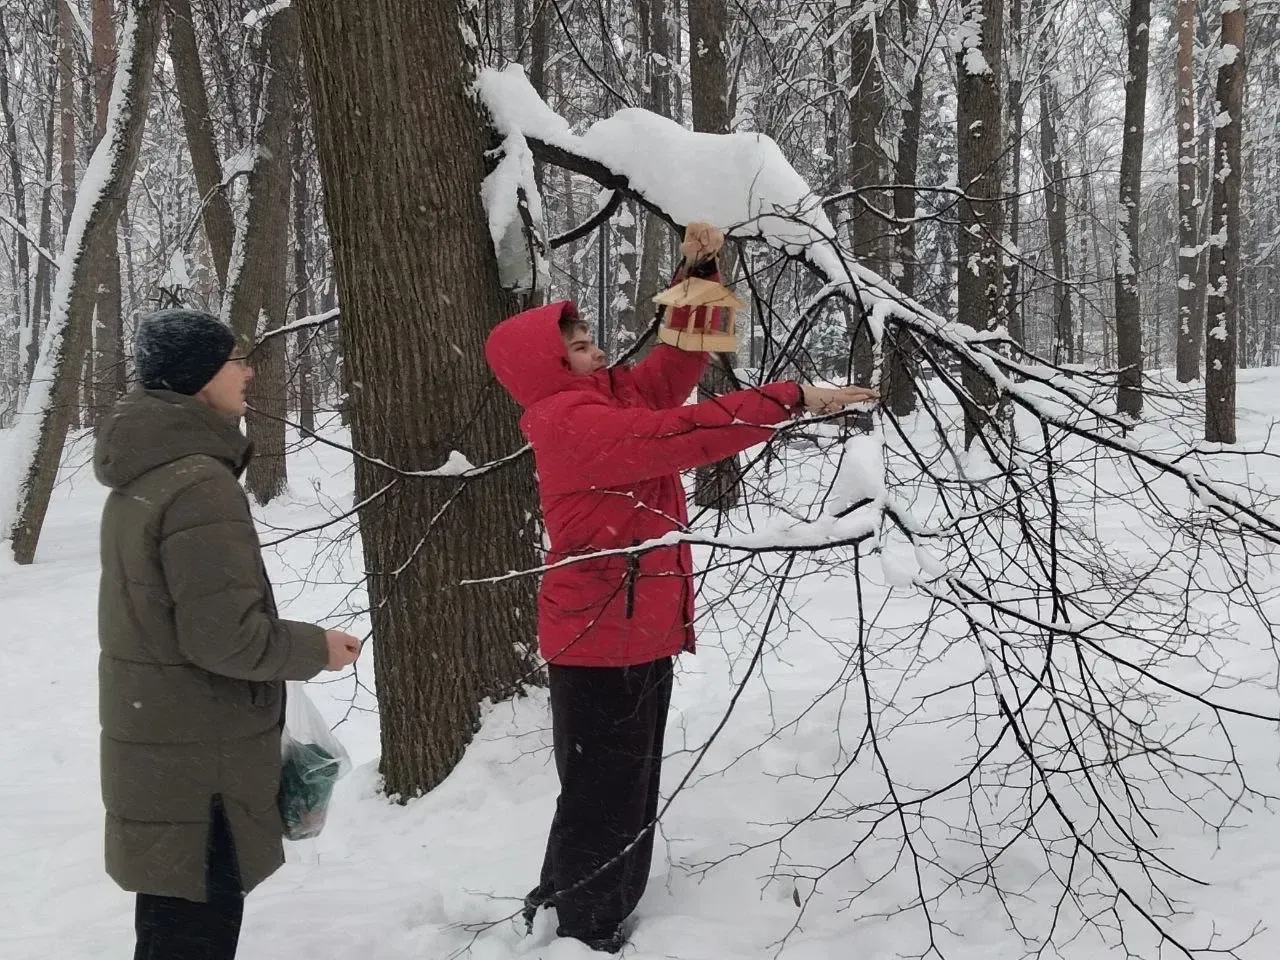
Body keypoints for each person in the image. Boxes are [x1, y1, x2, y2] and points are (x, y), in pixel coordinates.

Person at [484, 224, 877, 952]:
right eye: (577, 346)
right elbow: (683, 432)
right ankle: (584, 928)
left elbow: (674, 368)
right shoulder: (570, 420)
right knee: (608, 796)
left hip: (630, 628)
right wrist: (795, 399)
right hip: (602, 639)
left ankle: (565, 905)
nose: (596, 348)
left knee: (613, 788)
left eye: (588, 338)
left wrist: (698, 273)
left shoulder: (608, 397)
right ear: (547, 365)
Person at [94, 309, 362, 960]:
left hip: (167, 752)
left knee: (171, 933)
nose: (248, 370)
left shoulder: (146, 475)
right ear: (197, 376)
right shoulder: (198, 484)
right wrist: (314, 649)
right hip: (199, 767)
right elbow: (223, 638)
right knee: (192, 940)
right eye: (233, 359)